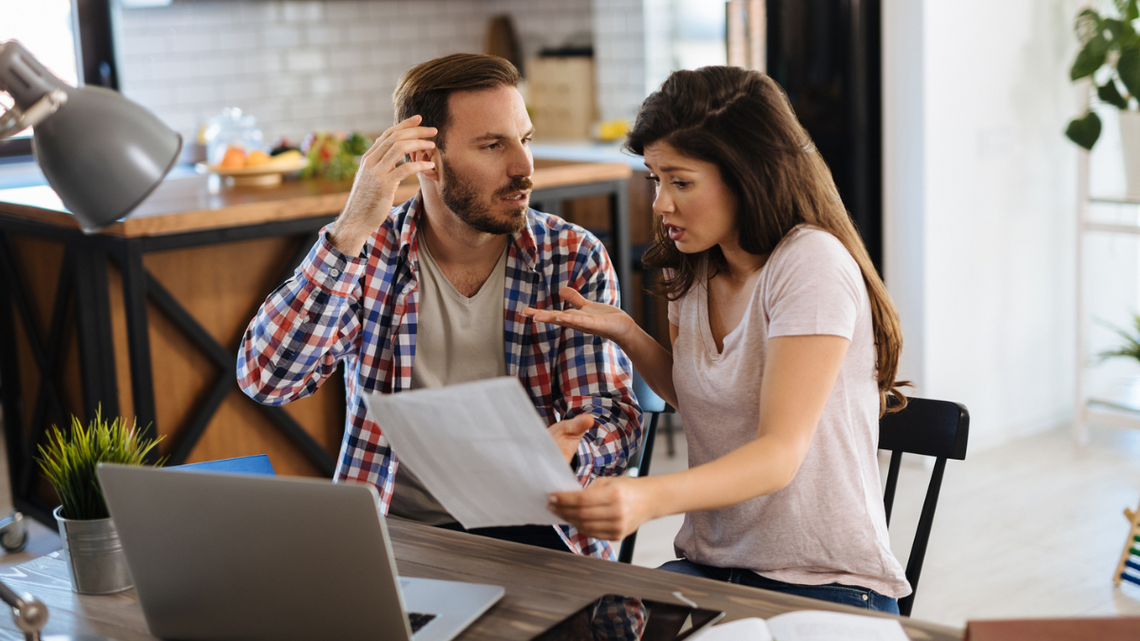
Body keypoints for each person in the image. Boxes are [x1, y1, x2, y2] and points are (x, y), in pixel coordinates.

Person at [526, 66, 912, 612]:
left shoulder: (810, 264)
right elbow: (708, 401)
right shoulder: (695, 269)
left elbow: (779, 454)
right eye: (654, 180)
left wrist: (647, 495)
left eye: (680, 181)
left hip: (827, 584)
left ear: (748, 174)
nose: (660, 204)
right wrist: (627, 332)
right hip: (712, 569)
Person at [237, 53, 641, 560]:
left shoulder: (571, 256)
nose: (524, 167)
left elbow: (614, 422)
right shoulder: (368, 253)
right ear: (425, 158)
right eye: (493, 146)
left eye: (526, 139)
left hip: (543, 533)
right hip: (395, 535)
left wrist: (574, 448)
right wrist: (349, 231)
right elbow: (267, 379)